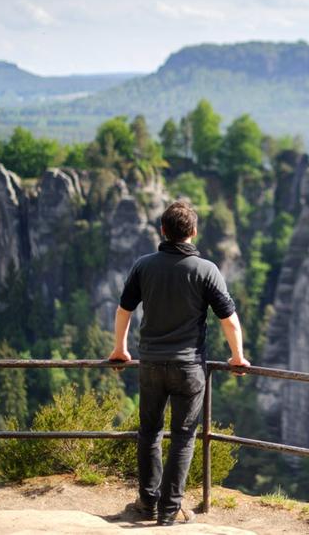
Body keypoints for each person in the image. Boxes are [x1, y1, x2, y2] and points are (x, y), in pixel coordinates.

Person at [108, 200, 250, 527]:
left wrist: (120, 349)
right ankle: (170, 510)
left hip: (152, 364)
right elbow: (228, 319)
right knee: (184, 436)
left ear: (162, 231)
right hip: (189, 368)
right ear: (193, 232)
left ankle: (147, 502)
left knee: (149, 432)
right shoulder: (206, 270)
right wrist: (237, 356)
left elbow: (123, 310)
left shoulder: (144, 266)